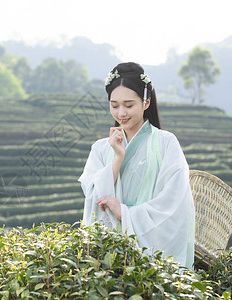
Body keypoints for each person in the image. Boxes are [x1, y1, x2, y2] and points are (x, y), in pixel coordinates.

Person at [77, 62, 195, 269]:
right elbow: (94, 196)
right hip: (109, 252)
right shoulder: (100, 148)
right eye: (114, 105)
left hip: (152, 250)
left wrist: (126, 213)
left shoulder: (166, 143)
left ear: (146, 102)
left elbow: (175, 200)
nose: (121, 113)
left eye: (129, 105)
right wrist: (117, 158)